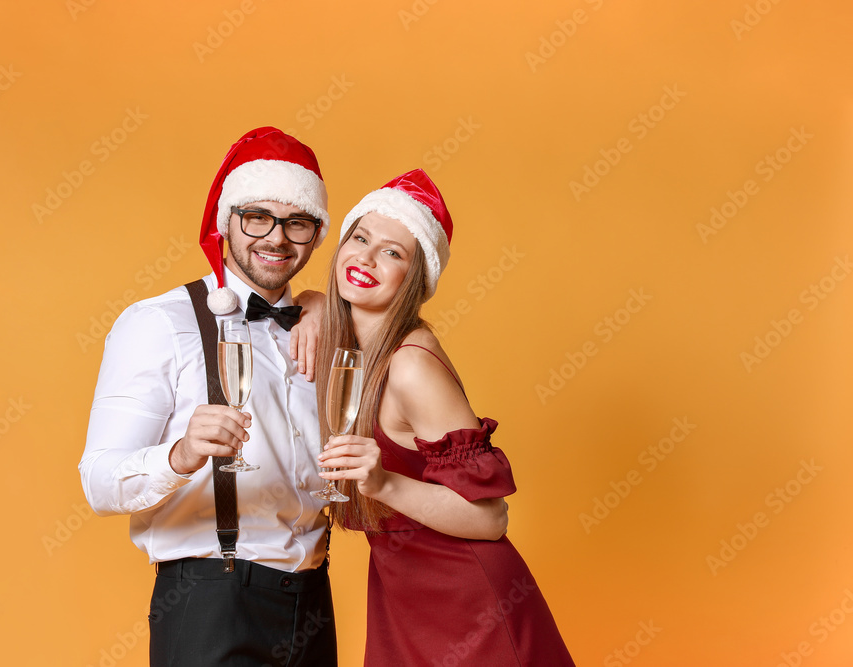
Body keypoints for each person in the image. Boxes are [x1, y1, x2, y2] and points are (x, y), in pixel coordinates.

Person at [79, 127, 339, 666]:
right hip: (209, 601)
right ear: (227, 222)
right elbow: (99, 481)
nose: (276, 238)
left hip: (313, 601)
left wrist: (327, 307)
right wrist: (180, 457)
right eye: (257, 217)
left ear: (316, 236)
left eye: (297, 222)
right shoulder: (158, 323)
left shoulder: (324, 329)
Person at [316, 169, 577, 665]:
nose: (366, 258)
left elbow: (491, 517)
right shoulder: (349, 349)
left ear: (415, 278)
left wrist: (385, 484)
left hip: (468, 601)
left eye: (393, 252)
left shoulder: (410, 365)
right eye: (360, 238)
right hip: (404, 595)